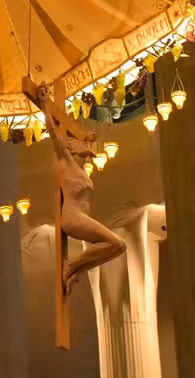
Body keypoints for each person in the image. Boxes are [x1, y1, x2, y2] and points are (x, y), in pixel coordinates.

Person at [23, 77, 125, 292]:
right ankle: (73, 265)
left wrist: (86, 143)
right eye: (76, 141)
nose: (81, 141)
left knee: (116, 247)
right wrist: (43, 103)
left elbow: (83, 153)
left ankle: (75, 269)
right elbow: (52, 130)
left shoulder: (78, 170)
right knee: (118, 244)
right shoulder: (64, 160)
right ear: (68, 146)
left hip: (82, 217)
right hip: (72, 218)